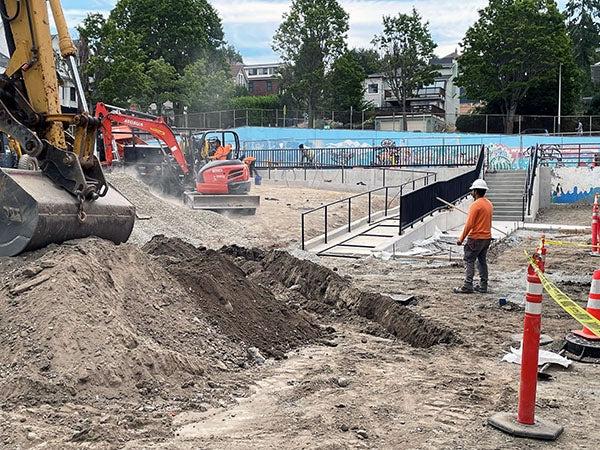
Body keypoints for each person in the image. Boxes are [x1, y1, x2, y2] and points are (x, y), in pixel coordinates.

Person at [454, 179, 494, 294]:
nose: (471, 193)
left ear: (476, 191)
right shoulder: (489, 204)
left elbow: (469, 224)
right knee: (482, 261)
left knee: (469, 260)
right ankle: (483, 285)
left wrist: (461, 239)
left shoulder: (475, 205)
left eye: (472, 191)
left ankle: (467, 285)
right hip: (486, 238)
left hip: (475, 238)